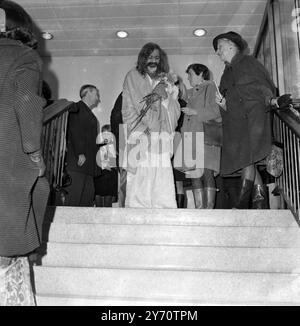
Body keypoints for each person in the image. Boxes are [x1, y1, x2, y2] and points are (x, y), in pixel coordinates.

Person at [0, 0, 49, 305]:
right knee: (37, 192)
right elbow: (28, 103)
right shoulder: (22, 55)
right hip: (7, 159)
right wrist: (35, 155)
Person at [213, 31, 292, 208]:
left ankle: (241, 204)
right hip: (235, 124)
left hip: (253, 119)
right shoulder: (226, 73)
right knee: (246, 160)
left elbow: (263, 86)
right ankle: (260, 205)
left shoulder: (249, 62)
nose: (217, 52)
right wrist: (222, 104)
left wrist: (273, 100)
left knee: (247, 159)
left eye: (220, 47)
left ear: (232, 45)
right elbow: (227, 100)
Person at [121, 42, 180, 208]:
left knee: (162, 184)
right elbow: (139, 104)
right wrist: (157, 94)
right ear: (143, 59)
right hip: (141, 134)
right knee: (139, 185)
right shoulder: (133, 76)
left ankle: (164, 217)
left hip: (161, 137)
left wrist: (169, 96)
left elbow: (174, 110)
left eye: (156, 57)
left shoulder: (165, 80)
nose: (153, 61)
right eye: (149, 57)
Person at [178, 64, 222, 209]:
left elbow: (217, 110)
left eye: (190, 74)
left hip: (205, 136)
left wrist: (194, 111)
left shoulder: (210, 87)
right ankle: (199, 209)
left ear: (201, 73)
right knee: (194, 174)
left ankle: (208, 209)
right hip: (191, 137)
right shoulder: (191, 92)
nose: (188, 78)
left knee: (207, 172)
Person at [64, 84, 100, 206]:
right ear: (87, 93)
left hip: (88, 167)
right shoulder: (77, 108)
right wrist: (80, 152)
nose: (98, 98)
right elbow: (75, 130)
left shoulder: (88, 113)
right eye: (96, 94)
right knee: (74, 200)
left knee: (86, 200)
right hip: (78, 164)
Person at [94, 124, 118, 207]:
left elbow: (113, 165)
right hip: (99, 177)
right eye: (103, 133)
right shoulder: (98, 146)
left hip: (109, 177)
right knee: (98, 201)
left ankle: (107, 220)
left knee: (108, 203)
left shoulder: (115, 147)